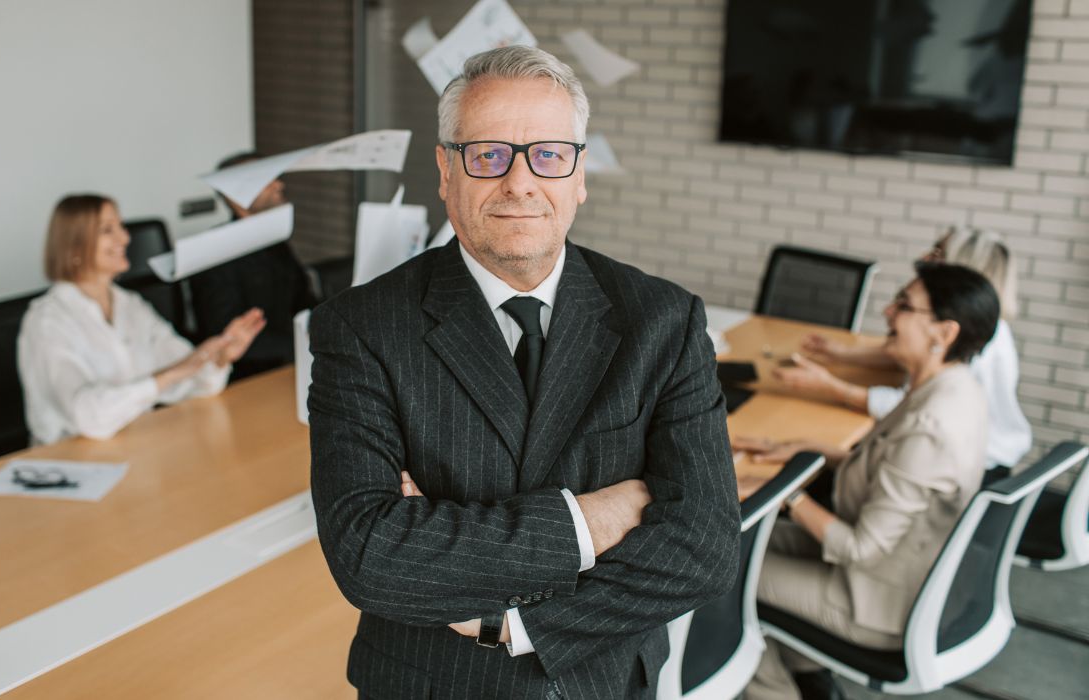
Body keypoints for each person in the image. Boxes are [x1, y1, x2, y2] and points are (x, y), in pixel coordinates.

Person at [308, 46, 740, 699]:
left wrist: (515, 623)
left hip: (603, 682)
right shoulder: (362, 327)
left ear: (579, 174)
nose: (519, 182)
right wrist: (590, 521)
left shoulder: (664, 321)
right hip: (434, 684)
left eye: (547, 154)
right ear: (445, 171)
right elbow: (368, 556)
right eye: (487, 155)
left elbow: (704, 549)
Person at [735, 262, 1000, 700]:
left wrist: (787, 492)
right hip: (896, 563)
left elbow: (860, 548)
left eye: (904, 305)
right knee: (742, 543)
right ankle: (809, 675)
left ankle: (778, 691)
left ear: (944, 332)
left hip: (875, 598)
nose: (887, 313)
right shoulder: (951, 387)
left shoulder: (930, 424)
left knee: (722, 574)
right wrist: (804, 452)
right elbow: (886, 459)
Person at [774, 226, 1030, 480]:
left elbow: (912, 407)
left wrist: (830, 387)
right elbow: (909, 355)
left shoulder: (977, 345)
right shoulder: (970, 328)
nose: (924, 258)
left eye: (938, 253)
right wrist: (842, 354)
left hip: (974, 464)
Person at [18, 194, 265, 445]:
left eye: (121, 227)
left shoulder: (131, 306)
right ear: (74, 247)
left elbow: (188, 379)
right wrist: (168, 376)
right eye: (107, 230)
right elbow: (88, 417)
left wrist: (220, 357)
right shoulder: (47, 321)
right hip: (68, 462)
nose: (124, 238)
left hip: (138, 444)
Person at [189, 152, 315, 382]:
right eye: (267, 179)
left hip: (294, 364)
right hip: (248, 378)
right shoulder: (211, 254)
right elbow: (224, 337)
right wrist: (302, 346)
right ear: (236, 198)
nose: (279, 184)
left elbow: (304, 300)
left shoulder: (275, 242)